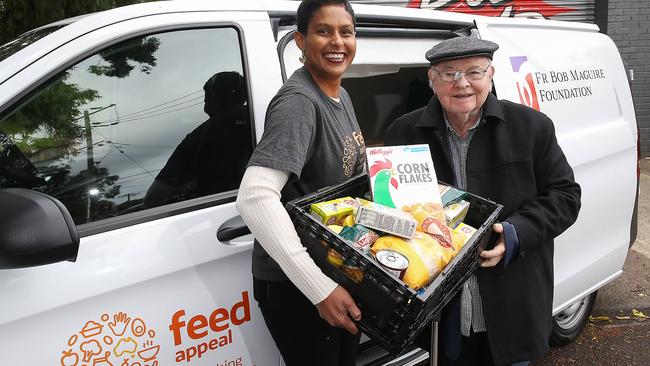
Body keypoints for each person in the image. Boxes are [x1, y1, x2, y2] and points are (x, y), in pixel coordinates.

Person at [384, 37, 581, 366]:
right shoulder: (403, 133)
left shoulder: (532, 128)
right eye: (448, 74)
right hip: (440, 314)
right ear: (432, 82)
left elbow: (565, 196)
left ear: (491, 75)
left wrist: (516, 233)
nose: (461, 84)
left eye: (473, 72)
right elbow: (390, 208)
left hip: (512, 307)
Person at [235, 1, 366, 365]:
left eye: (346, 31)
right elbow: (255, 197)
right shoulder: (299, 103)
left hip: (332, 272)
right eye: (323, 31)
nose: (337, 41)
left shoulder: (340, 94)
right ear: (300, 41)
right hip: (297, 288)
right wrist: (319, 289)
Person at [144, 71, 251, 208]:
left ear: (216, 97)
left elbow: (153, 198)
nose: (204, 100)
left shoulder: (199, 137)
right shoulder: (267, 118)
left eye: (207, 95)